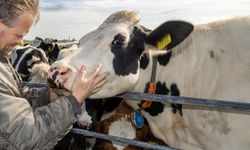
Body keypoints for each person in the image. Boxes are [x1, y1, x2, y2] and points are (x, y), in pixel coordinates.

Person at [0, 0, 109, 149]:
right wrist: (74, 100)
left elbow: (17, 96)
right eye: (19, 34)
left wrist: (52, 94)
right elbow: (27, 138)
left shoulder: (2, 61)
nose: (21, 42)